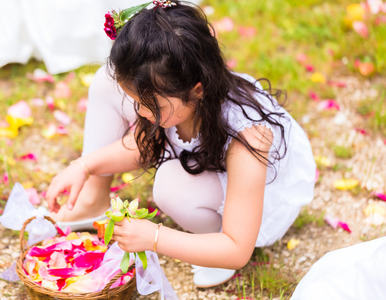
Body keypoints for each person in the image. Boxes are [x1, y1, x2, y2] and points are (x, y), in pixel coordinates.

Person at [45, 0, 316, 288]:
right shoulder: (176, 100)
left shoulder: (249, 136)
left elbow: (238, 250)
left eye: (150, 105)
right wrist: (84, 166)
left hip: (248, 207)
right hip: (205, 155)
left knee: (171, 186)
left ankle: (210, 238)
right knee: (105, 80)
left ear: (197, 90)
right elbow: (145, 146)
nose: (139, 114)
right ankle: (92, 201)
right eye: (138, 102)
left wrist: (154, 237)